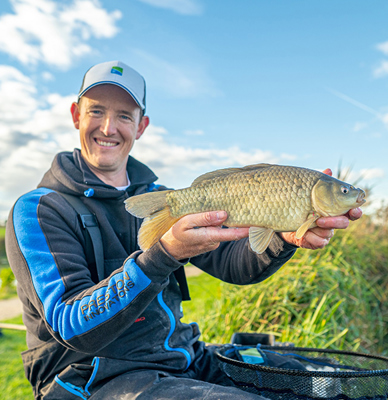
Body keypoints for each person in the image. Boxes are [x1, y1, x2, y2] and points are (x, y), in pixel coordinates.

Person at [6, 60, 362, 400]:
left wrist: (284, 236)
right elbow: (71, 326)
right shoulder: (38, 209)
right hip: (91, 378)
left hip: (182, 358)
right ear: (76, 115)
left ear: (141, 126)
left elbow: (232, 263)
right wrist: (163, 256)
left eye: (124, 116)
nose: (109, 127)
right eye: (96, 111)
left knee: (320, 382)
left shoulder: (161, 197)